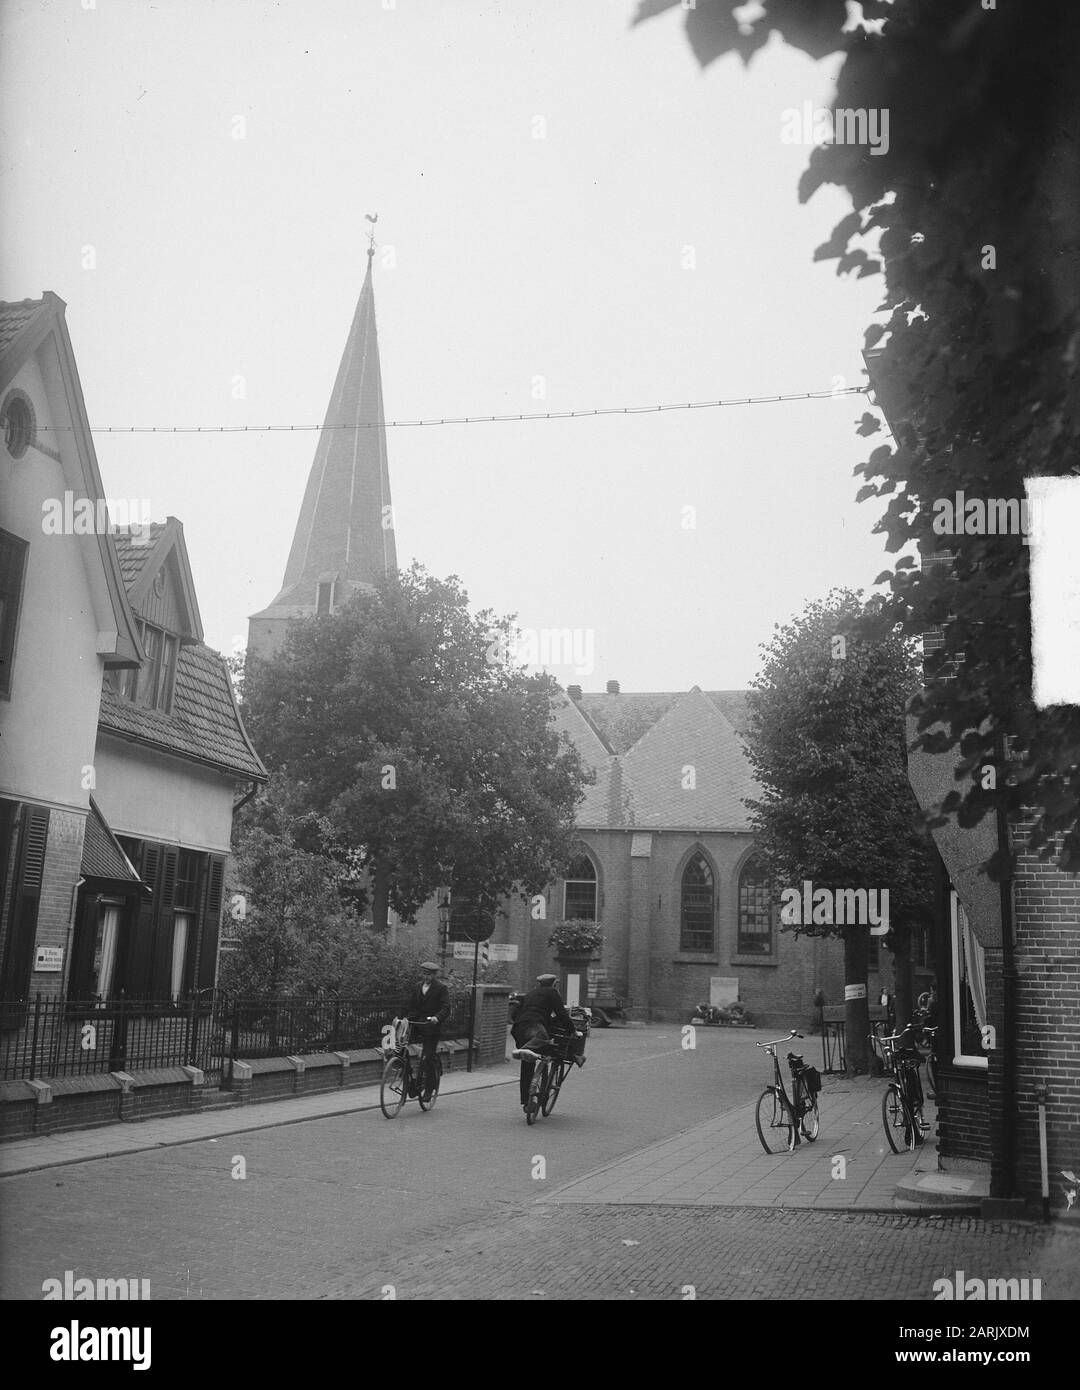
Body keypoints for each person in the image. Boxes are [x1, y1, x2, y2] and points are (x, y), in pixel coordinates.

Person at [510, 972, 580, 1110]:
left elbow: (516, 1013)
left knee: (527, 1064)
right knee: (542, 1038)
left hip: (518, 1028)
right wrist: (572, 1030)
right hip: (534, 1026)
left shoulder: (530, 994)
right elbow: (561, 1014)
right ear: (554, 984)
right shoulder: (552, 993)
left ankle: (526, 1103)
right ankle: (528, 1049)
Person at [402, 962, 450, 1092]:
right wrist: (404, 1017)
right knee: (400, 1048)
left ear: (434, 975)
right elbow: (410, 1005)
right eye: (424, 974)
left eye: (429, 975)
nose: (426, 977)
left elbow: (446, 1007)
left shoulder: (441, 988)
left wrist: (437, 1017)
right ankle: (409, 1078)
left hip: (431, 1027)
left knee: (427, 1057)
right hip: (417, 1024)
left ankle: (429, 1088)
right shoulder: (417, 987)